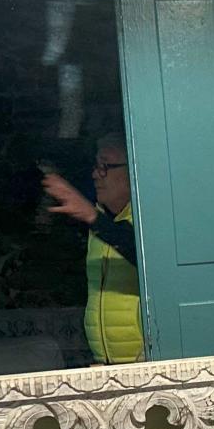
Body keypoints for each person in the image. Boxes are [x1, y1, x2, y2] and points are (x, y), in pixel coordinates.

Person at [42, 132, 144, 365]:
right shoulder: (99, 223)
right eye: (96, 166)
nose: (95, 174)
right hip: (106, 363)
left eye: (105, 166)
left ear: (133, 170)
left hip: (145, 363)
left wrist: (93, 217)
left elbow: (145, 257)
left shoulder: (146, 219)